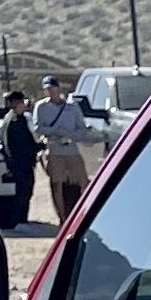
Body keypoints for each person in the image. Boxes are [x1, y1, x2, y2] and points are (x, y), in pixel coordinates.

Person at [32, 76, 95, 225]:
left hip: (72, 150)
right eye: (48, 89)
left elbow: (82, 129)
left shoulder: (72, 108)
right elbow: (38, 128)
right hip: (54, 150)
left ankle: (83, 214)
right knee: (57, 184)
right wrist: (55, 131)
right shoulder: (41, 107)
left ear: (59, 88)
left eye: (53, 88)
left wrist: (71, 135)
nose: (51, 92)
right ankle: (63, 218)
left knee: (83, 182)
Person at [0, 87, 38, 231]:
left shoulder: (18, 119)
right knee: (23, 191)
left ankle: (22, 217)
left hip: (22, 162)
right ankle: (19, 219)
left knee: (25, 190)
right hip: (19, 163)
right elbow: (11, 144)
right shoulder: (13, 121)